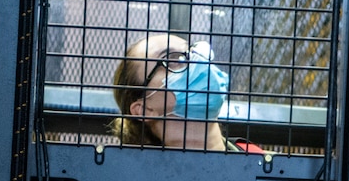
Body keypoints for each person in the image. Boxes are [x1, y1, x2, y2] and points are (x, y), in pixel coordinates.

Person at [110, 33, 261, 152]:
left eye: (191, 51)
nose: (195, 62)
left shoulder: (261, 163)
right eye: (171, 59)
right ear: (144, 110)